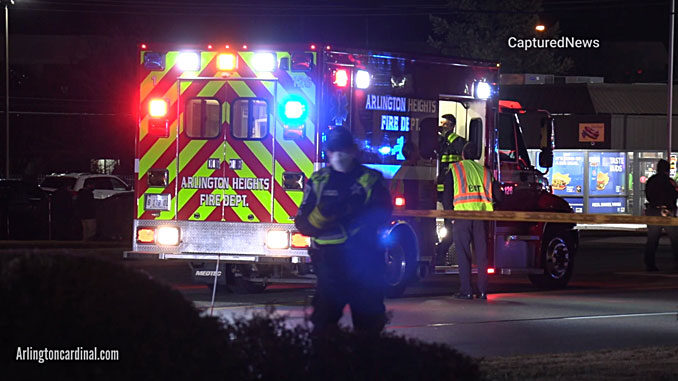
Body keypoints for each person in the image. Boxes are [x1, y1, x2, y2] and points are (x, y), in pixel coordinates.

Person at [295, 127, 393, 335]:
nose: (339, 154)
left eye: (343, 149)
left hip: (364, 263)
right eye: (334, 150)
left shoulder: (371, 179)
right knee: (323, 327)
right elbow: (302, 223)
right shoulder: (318, 181)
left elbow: (382, 214)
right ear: (328, 152)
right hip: (330, 265)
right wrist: (323, 216)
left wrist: (349, 212)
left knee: (369, 329)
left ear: (354, 150)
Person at [443, 143, 502, 299]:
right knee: (482, 255)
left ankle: (466, 290)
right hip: (481, 218)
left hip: (462, 217)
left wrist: (450, 217)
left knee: (463, 253)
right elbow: (499, 196)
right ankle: (483, 291)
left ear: (463, 154)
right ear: (476, 155)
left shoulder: (455, 170)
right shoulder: (485, 171)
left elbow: (446, 196)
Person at [436, 114, 467, 264]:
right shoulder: (438, 142)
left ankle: (440, 253)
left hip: (452, 193)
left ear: (452, 126)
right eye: (441, 124)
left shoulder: (458, 141)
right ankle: (437, 252)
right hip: (437, 192)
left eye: (445, 124)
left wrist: (448, 134)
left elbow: (462, 149)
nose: (442, 127)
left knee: (451, 227)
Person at [644, 159, 678, 271]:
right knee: (675, 239)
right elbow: (674, 195)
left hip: (653, 210)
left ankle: (650, 263)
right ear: (667, 169)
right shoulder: (670, 182)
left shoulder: (651, 181)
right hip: (668, 212)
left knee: (652, 239)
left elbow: (648, 195)